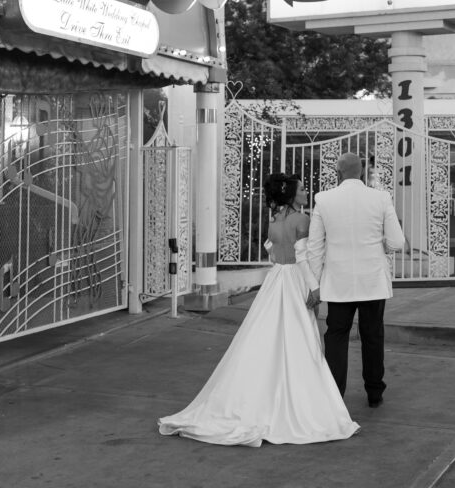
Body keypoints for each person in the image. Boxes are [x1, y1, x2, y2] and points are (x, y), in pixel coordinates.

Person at [158, 172, 360, 447]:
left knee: (266, 333)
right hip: (294, 279)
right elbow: (303, 258)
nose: (305, 192)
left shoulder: (274, 221)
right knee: (300, 337)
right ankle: (299, 399)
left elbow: (272, 253)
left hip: (276, 279)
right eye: (301, 189)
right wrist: (315, 288)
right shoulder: (303, 220)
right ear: (291, 194)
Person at [307, 152, 405, 408]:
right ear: (361, 172)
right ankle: (375, 392)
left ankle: (334, 395)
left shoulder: (323, 200)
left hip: (338, 282)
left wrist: (314, 284)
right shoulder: (380, 197)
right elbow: (397, 241)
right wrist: (382, 244)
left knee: (336, 335)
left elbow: (315, 248)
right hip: (372, 280)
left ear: (338, 173)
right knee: (372, 335)